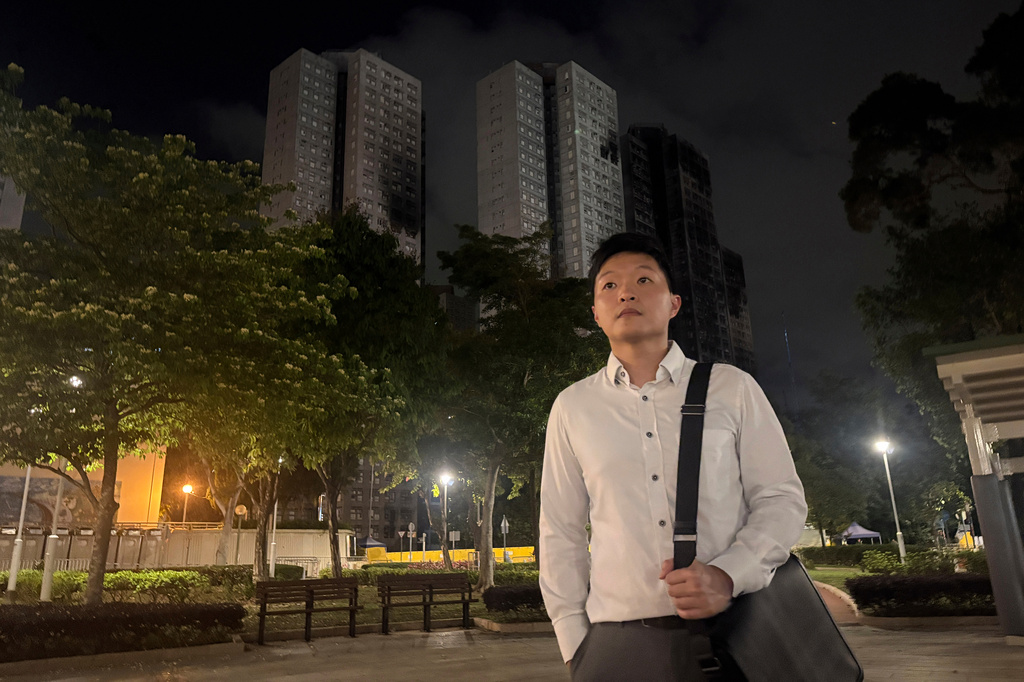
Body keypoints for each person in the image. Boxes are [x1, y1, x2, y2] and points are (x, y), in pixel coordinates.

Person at [539, 233, 807, 681]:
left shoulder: (732, 388)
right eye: (609, 286)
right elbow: (560, 530)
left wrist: (727, 575)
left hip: (734, 633)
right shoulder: (573, 406)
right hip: (615, 646)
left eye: (644, 280)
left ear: (674, 304)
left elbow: (781, 499)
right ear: (596, 314)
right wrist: (574, 644)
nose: (625, 292)